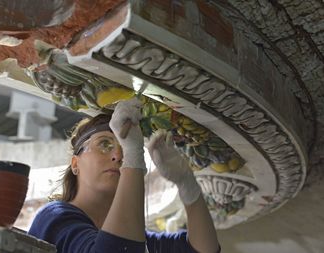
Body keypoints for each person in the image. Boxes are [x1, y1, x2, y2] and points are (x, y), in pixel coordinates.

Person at [28, 98, 220, 253]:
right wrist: (133, 155)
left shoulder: (136, 237)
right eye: (104, 144)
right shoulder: (54, 216)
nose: (119, 155)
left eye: (125, 148)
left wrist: (187, 183)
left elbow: (202, 249)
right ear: (76, 164)